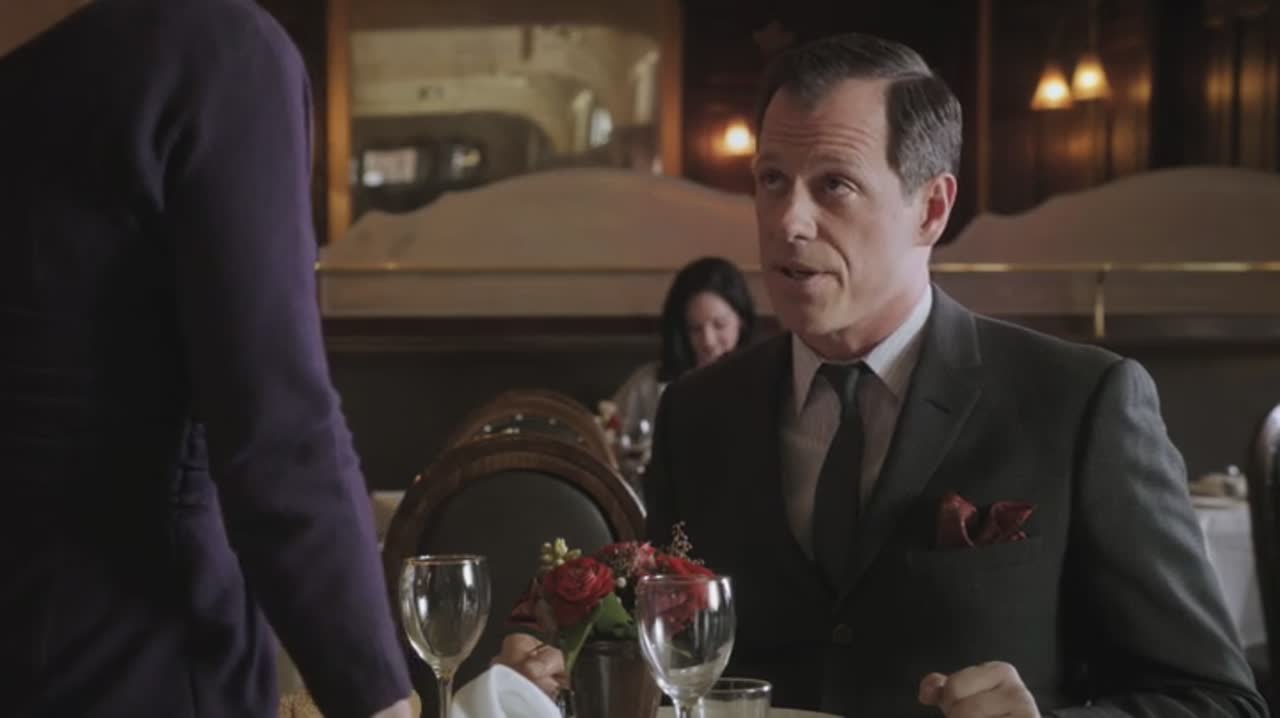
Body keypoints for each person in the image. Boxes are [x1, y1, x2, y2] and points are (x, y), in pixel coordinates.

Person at [643, 33, 1267, 717]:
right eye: (771, 180)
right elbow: (653, 659)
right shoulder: (696, 415)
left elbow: (1218, 702)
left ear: (932, 209)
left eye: (834, 185)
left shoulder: (1079, 404)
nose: (788, 221)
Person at [0, 1, 413, 715]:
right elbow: (281, 434)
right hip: (145, 655)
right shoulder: (219, 49)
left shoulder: (36, 70)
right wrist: (378, 695)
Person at [611, 256, 756, 438]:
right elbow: (604, 436)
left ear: (741, 321)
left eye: (719, 325)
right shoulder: (648, 385)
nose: (708, 341)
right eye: (695, 328)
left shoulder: (763, 381)